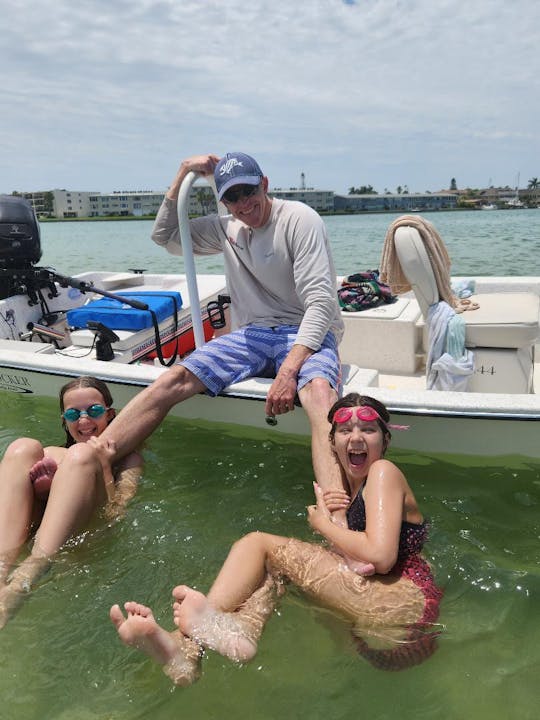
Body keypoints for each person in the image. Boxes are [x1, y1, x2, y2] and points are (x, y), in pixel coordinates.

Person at [110, 394, 443, 683]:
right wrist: (337, 522)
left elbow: (382, 557)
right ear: (333, 443)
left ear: (385, 441)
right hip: (393, 631)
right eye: (345, 430)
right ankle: (204, 646)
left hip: (401, 610)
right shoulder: (355, 487)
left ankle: (197, 634)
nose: (356, 437)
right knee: (271, 569)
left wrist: (324, 526)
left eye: (368, 430)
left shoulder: (384, 472)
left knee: (258, 543)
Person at [98, 151, 345, 508]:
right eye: (231, 197)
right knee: (174, 377)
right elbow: (165, 237)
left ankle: (337, 513)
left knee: (320, 395)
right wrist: (182, 172)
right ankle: (97, 456)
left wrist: (288, 372)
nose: (243, 204)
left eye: (248, 192)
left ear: (264, 184)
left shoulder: (299, 219)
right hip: (253, 334)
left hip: (305, 330)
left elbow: (321, 305)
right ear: (223, 200)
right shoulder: (225, 228)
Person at [0, 376, 143, 628]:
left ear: (111, 415)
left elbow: (116, 515)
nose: (84, 420)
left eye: (94, 411)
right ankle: (1, 568)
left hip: (82, 541)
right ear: (64, 422)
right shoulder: (51, 452)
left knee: (81, 454)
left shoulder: (128, 460)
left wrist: (105, 466)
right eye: (73, 414)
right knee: (22, 447)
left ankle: (25, 579)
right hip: (36, 533)